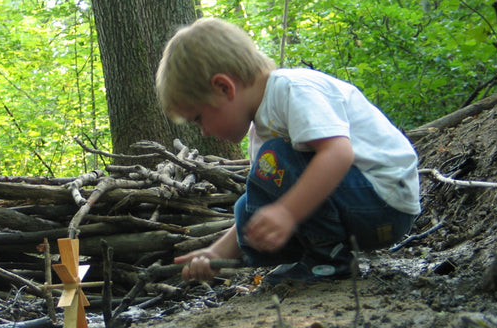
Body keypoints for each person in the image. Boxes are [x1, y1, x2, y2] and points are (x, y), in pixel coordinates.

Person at [155, 17, 421, 286]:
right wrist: (218, 251)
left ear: (224, 87)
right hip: (358, 208)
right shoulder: (261, 128)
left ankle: (329, 261)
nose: (204, 132)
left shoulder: (293, 89)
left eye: (199, 118)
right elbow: (268, 197)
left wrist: (287, 212)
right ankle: (319, 255)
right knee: (249, 206)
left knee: (275, 162)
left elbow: (338, 153)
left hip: (385, 201)